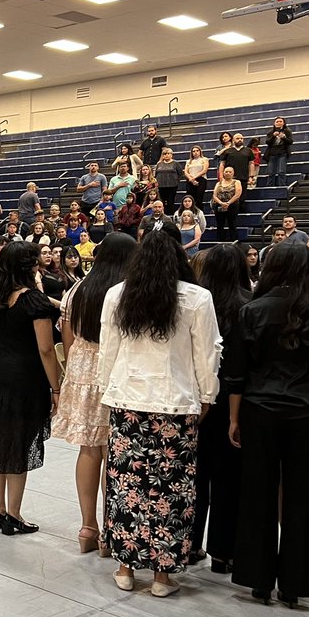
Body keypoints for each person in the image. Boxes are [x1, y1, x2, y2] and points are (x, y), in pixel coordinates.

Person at [98, 228, 222, 597]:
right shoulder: (198, 298)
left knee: (125, 488)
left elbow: (108, 350)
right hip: (176, 405)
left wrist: (108, 390)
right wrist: (208, 395)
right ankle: (162, 576)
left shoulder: (117, 296)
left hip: (128, 403)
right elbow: (209, 352)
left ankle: (124, 566)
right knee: (169, 493)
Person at [227, 244, 309, 606]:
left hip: (260, 409)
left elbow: (237, 372)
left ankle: (258, 579)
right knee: (304, 499)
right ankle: (296, 583)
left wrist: (234, 419)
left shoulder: (252, 310)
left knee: (257, 494)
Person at [51, 233, 136, 555]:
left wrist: (75, 372)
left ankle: (88, 527)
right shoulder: (126, 292)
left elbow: (68, 339)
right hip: (117, 369)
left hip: (82, 369)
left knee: (89, 450)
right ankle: (109, 532)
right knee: (115, 453)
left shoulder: (77, 289)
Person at [0, 242, 61, 536]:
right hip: (26, 378)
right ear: (30, 267)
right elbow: (46, 350)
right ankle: (14, 515)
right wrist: (57, 387)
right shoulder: (35, 301)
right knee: (19, 445)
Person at [191, 243, 250, 573]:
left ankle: (190, 544)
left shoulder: (199, 302)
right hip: (233, 400)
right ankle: (223, 552)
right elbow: (240, 366)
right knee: (229, 481)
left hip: (199, 398)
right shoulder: (247, 305)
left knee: (196, 476)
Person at [219, 133, 255, 208]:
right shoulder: (227, 151)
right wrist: (221, 176)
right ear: (233, 140)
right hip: (229, 179)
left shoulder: (248, 151)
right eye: (237, 138)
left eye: (241, 138)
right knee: (229, 198)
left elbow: (251, 163)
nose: (240, 140)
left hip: (243, 177)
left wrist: (251, 176)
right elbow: (222, 164)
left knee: (241, 198)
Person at [211, 165, 243, 242]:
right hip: (219, 205)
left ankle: (234, 241)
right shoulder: (219, 183)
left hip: (232, 205)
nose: (228, 173)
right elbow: (214, 195)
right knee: (220, 225)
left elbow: (238, 194)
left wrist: (228, 203)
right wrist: (221, 203)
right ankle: (220, 242)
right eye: (226, 171)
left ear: (233, 173)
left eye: (230, 172)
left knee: (232, 224)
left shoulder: (236, 182)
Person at [264, 116, 293, 186]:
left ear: (283, 123)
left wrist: (284, 138)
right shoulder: (270, 132)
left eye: (280, 121)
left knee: (281, 171)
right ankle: (270, 188)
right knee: (271, 172)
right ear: (274, 123)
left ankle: (282, 187)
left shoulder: (287, 131)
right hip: (272, 153)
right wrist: (273, 136)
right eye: (277, 121)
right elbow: (267, 142)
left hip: (282, 153)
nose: (279, 123)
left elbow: (290, 142)